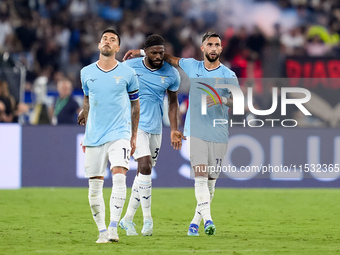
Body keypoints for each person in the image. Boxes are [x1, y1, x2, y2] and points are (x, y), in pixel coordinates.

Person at [124, 31, 239, 237]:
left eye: (217, 45)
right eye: (209, 44)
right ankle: (208, 220)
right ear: (203, 48)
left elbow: (240, 103)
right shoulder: (192, 66)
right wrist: (141, 52)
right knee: (200, 178)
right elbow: (166, 56)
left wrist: (222, 100)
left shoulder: (228, 75)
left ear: (221, 49)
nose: (213, 48)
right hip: (195, 131)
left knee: (211, 183)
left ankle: (195, 223)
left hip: (219, 132)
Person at [118, 34, 184, 237]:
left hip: (156, 127)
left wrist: (173, 128)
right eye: (153, 52)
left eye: (161, 52)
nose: (158, 56)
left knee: (142, 175)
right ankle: (148, 220)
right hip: (134, 126)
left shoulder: (172, 74)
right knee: (144, 166)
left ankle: (127, 219)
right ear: (145, 52)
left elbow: (173, 103)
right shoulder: (130, 67)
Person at [80, 28, 140, 244]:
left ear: (117, 48)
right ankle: (102, 231)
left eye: (112, 39)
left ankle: (114, 227)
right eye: (104, 38)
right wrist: (86, 130)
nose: (107, 41)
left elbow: (135, 105)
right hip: (94, 136)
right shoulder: (86, 72)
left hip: (119, 134)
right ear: (99, 45)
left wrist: (133, 136)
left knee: (119, 177)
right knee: (94, 186)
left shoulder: (127, 73)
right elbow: (88, 100)